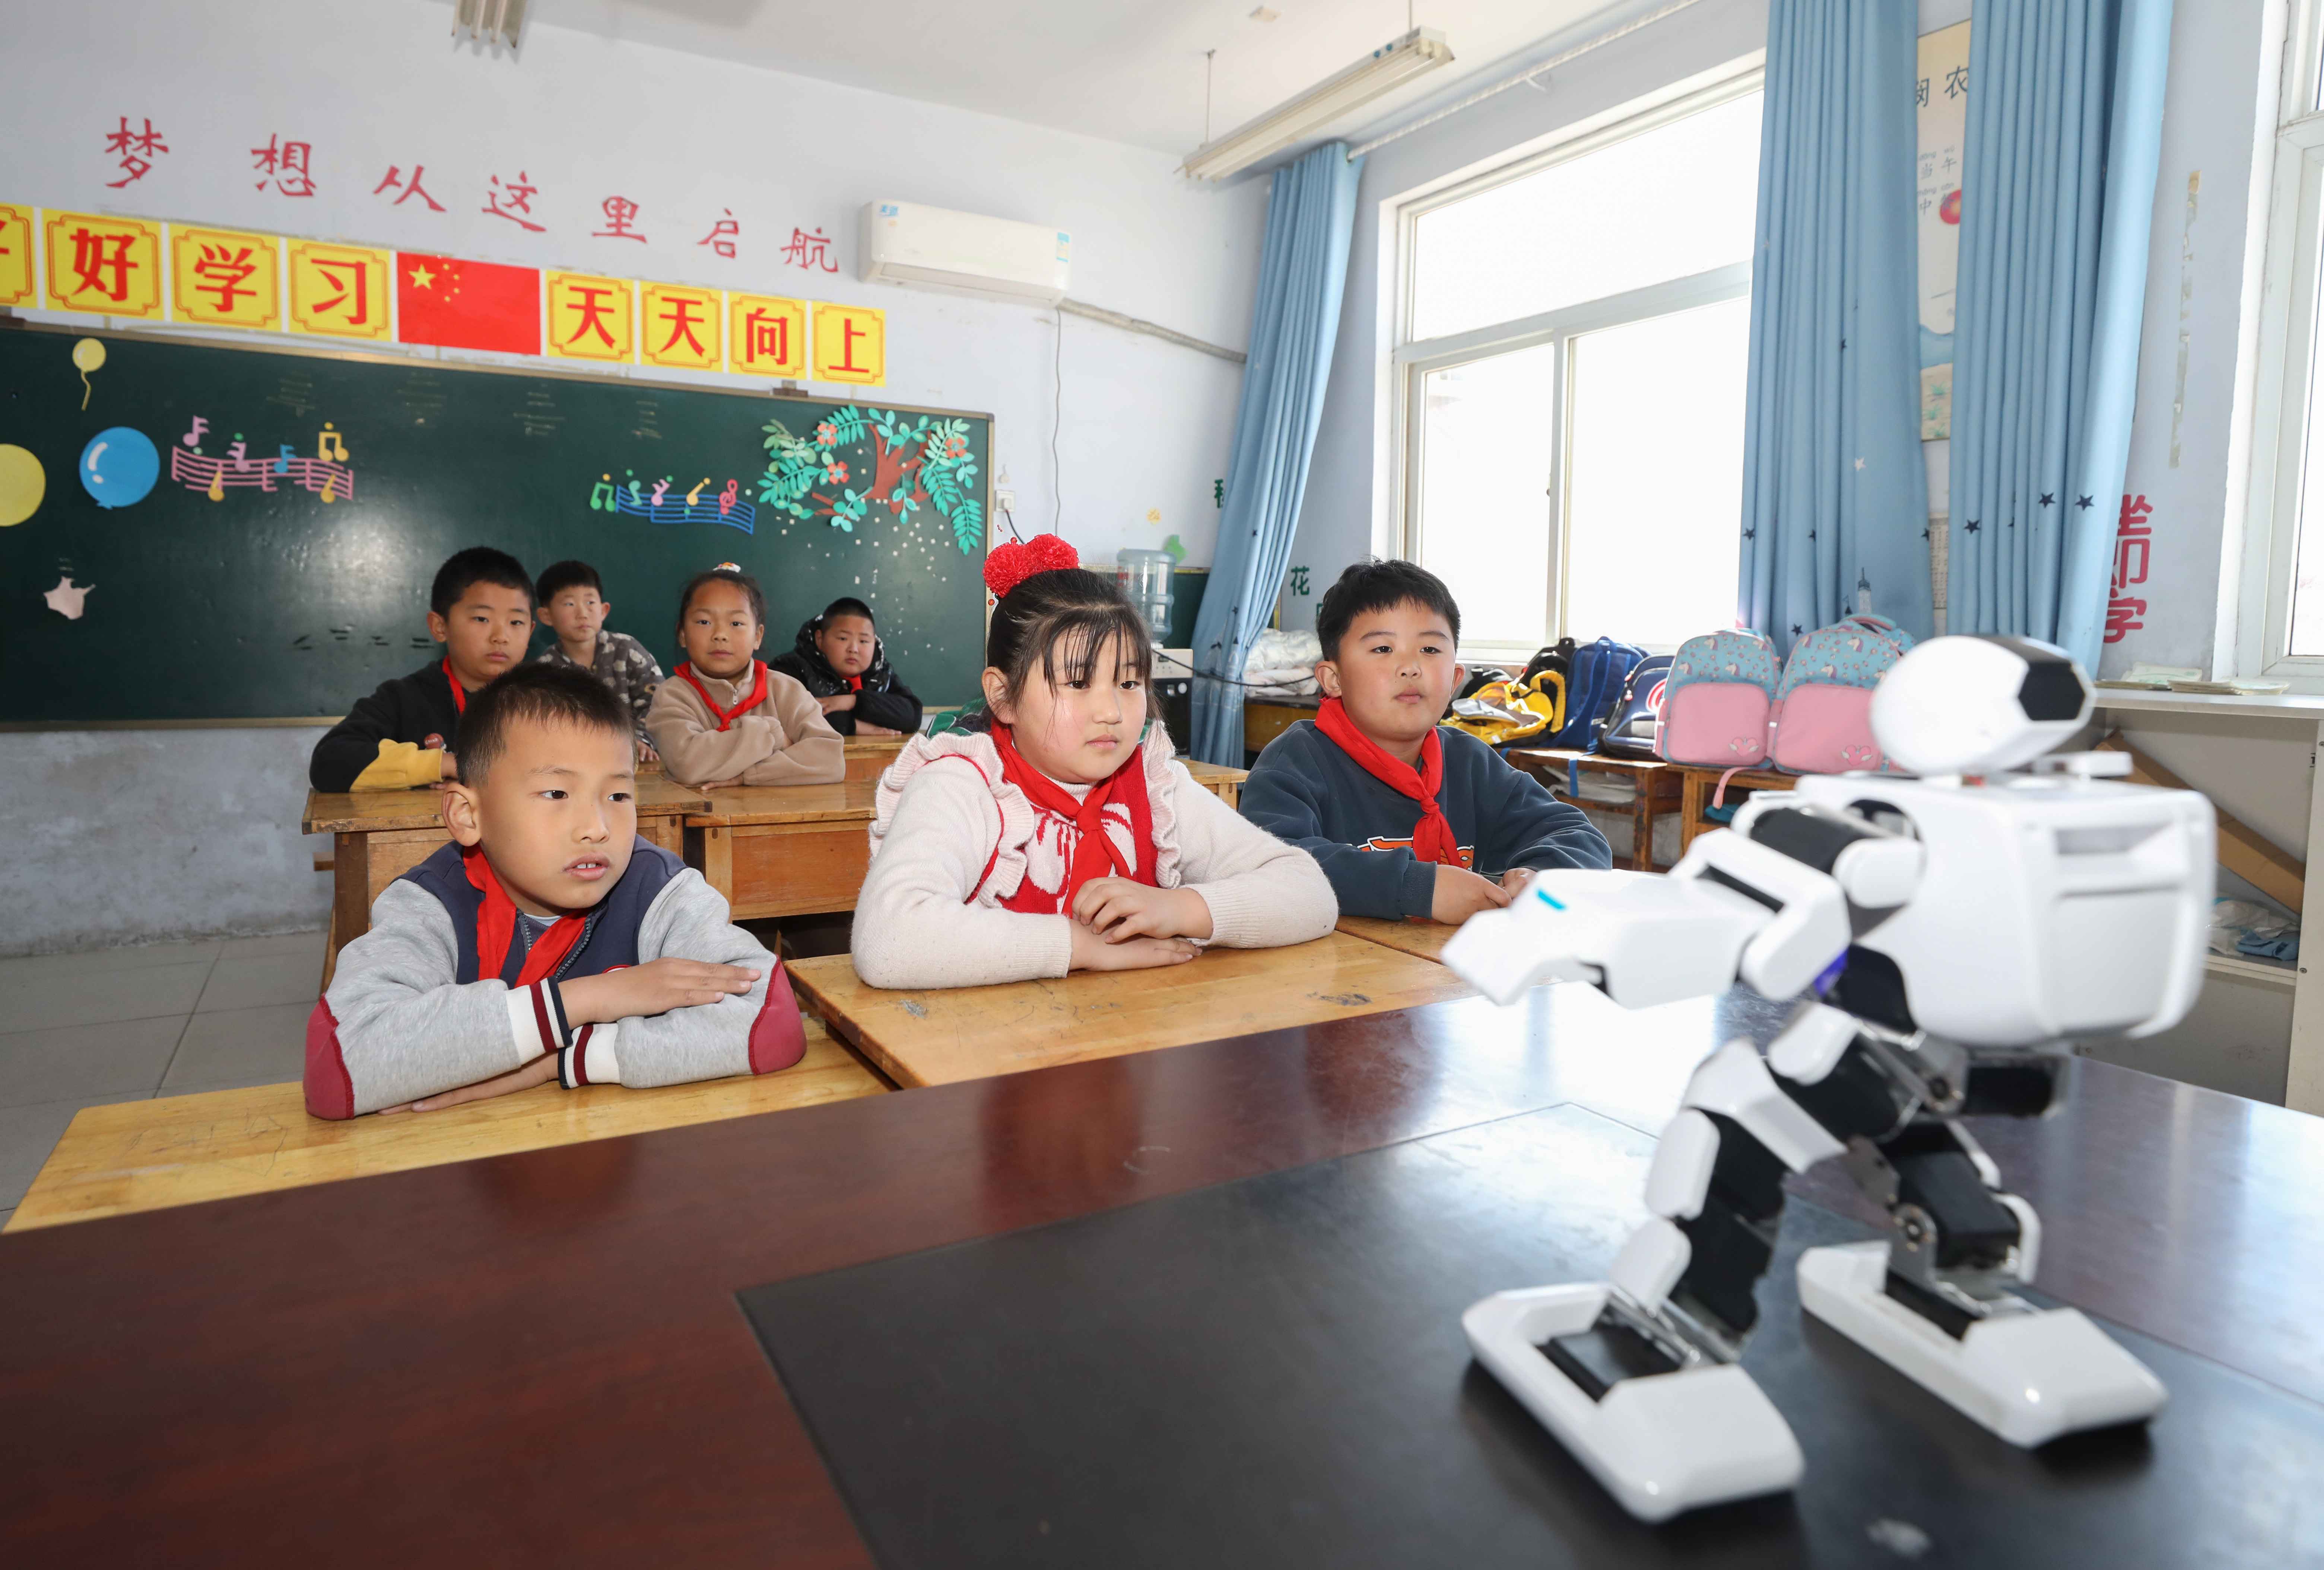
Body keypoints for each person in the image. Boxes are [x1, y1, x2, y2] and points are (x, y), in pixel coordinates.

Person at [304, 663, 805, 1119]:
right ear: (468, 814)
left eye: (619, 794)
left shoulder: (657, 889)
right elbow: (337, 1068)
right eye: (556, 793)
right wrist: (592, 999)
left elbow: (772, 1022)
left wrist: (559, 1061)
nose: (597, 827)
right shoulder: (430, 904)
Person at [851, 533, 1335, 989]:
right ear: (1003, 697)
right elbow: (888, 940)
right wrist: (1079, 946)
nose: (1111, 711)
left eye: (1129, 683)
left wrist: (1181, 909)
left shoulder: (1155, 785)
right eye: (1079, 683)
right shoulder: (962, 783)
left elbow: (1310, 893)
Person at [1238, 558, 1610, 925]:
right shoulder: (1296, 761)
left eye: (1430, 650)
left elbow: (1580, 838)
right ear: (1333, 679)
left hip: (1449, 962)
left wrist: (1539, 874)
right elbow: (1272, 861)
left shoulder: (1471, 762)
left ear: (1454, 681)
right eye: (1383, 649)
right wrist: (1416, 887)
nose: (1411, 667)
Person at [309, 546, 534, 792]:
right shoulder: (402, 698)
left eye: (516, 622)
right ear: (440, 627)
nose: (501, 636)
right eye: (482, 619)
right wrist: (444, 765)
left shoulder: (546, 701)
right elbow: (329, 762)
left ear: (531, 631)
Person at [645, 566, 845, 789]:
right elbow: (689, 765)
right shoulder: (672, 695)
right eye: (704, 622)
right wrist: (773, 735)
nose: (720, 635)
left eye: (736, 624)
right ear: (682, 634)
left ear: (757, 636)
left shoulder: (786, 689)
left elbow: (831, 761)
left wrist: (750, 776)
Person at [533, 559, 666, 760]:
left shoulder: (627, 650)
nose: (582, 614)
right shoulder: (546, 669)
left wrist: (640, 741)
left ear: (604, 610)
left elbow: (658, 704)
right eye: (569, 604)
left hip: (635, 759)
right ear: (546, 616)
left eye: (590, 603)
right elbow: (544, 727)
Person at [769, 596, 923, 739]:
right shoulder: (790, 669)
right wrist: (856, 727)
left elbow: (912, 717)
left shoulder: (881, 676)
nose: (854, 649)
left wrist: (854, 701)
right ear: (820, 639)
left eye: (864, 641)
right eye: (843, 639)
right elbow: (790, 715)